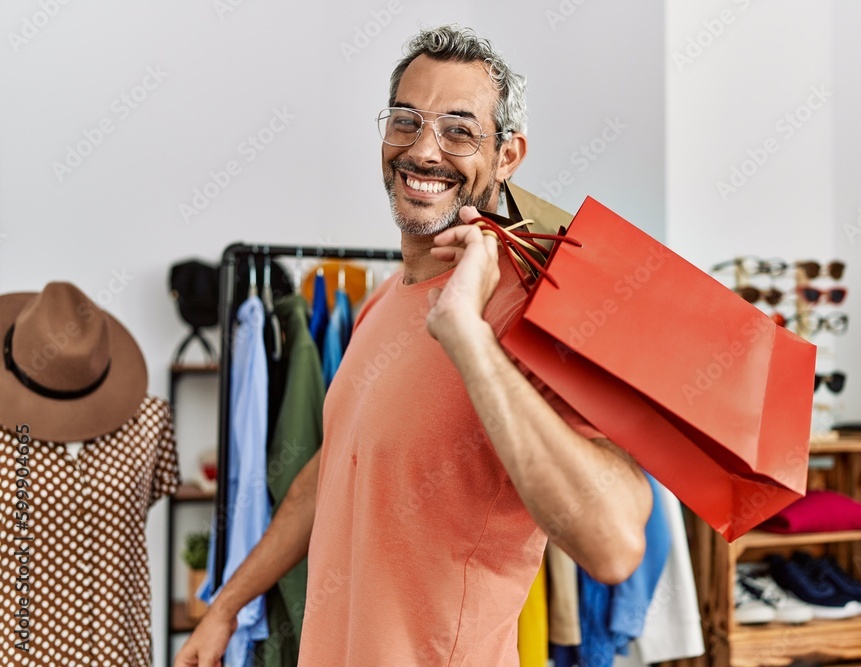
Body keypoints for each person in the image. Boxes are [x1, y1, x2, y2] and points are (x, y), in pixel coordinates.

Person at [175, 24, 652, 667]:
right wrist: (229, 606)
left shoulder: (530, 315)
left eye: (459, 129)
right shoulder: (382, 299)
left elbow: (616, 543)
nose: (424, 151)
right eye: (406, 120)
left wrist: (466, 334)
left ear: (508, 156)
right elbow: (334, 468)